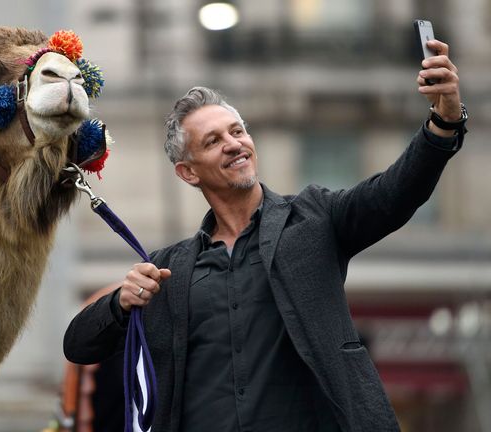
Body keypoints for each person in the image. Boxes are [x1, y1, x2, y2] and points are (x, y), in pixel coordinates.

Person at [63, 39, 466, 432]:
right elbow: (78, 346)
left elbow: (395, 193)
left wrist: (443, 122)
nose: (234, 144)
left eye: (237, 131)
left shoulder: (314, 219)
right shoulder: (169, 270)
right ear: (188, 172)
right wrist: (119, 302)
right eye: (214, 141)